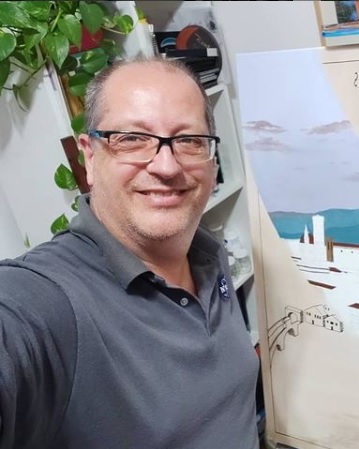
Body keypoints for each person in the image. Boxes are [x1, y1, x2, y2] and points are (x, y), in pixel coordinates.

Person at [0, 57, 260, 449]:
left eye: (189, 140)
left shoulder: (208, 252)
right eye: (133, 139)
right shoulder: (47, 303)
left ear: (210, 159)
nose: (167, 166)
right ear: (90, 157)